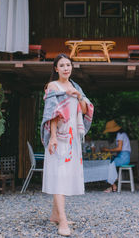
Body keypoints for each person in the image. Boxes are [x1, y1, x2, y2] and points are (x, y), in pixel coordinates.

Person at [41, 53, 94, 236]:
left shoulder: (75, 86)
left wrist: (78, 95)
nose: (66, 68)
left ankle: (55, 214)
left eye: (68, 65)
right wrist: (53, 137)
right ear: (56, 69)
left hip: (72, 136)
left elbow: (86, 109)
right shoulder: (52, 86)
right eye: (62, 65)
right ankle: (62, 221)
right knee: (59, 175)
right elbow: (52, 114)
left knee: (63, 174)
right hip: (59, 136)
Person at [101, 120, 131, 192]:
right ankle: (113, 181)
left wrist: (107, 150)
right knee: (109, 162)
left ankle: (112, 185)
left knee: (108, 164)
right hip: (123, 156)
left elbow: (119, 148)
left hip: (124, 158)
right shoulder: (121, 134)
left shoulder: (120, 135)